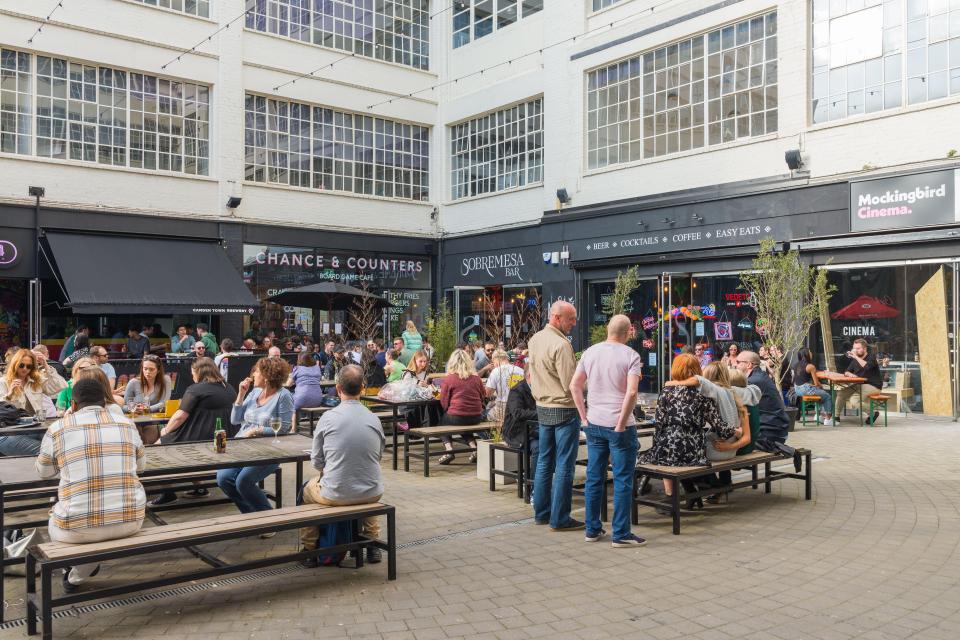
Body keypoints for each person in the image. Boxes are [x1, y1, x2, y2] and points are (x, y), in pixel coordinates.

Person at [37, 378, 146, 592]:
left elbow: (44, 472)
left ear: (73, 405)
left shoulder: (58, 428)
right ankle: (79, 571)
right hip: (132, 520)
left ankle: (77, 572)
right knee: (94, 519)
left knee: (57, 520)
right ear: (105, 403)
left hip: (75, 528)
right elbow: (141, 466)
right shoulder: (127, 424)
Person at [569, 315, 646, 547]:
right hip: (619, 424)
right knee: (622, 479)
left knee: (594, 477)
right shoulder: (631, 356)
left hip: (594, 423)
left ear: (608, 330)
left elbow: (574, 385)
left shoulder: (590, 352)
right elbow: (632, 393)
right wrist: (621, 424)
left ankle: (592, 529)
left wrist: (584, 417)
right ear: (629, 332)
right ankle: (621, 533)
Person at [298, 364, 384, 566]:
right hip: (372, 491)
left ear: (338, 389)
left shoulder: (328, 418)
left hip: (335, 494)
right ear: (362, 388)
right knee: (365, 485)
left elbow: (317, 460)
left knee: (306, 491)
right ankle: (372, 543)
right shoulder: (374, 418)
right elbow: (377, 456)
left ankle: (309, 549)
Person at [640, 354, 737, 511]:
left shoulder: (665, 392)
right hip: (692, 450)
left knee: (664, 455)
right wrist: (736, 431)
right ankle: (697, 492)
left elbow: (659, 424)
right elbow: (720, 427)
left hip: (667, 448)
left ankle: (680, 495)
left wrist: (657, 447)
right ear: (697, 370)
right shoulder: (702, 394)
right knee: (685, 455)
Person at [151, 357, 237, 506]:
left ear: (200, 372)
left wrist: (165, 430)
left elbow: (180, 416)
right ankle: (199, 488)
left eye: (193, 373)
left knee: (156, 449)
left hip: (200, 438)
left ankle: (168, 493)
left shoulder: (196, 389)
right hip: (223, 439)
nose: (192, 376)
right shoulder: (228, 387)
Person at [527, 300, 582, 531]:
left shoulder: (535, 339)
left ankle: (541, 513)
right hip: (564, 409)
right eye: (571, 319)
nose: (574, 324)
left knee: (543, 462)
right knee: (564, 466)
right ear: (557, 318)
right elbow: (571, 383)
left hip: (542, 406)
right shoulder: (561, 345)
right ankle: (560, 518)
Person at [217, 357, 294, 519]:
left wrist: (256, 431)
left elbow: (285, 427)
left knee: (243, 481)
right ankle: (251, 516)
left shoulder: (283, 396)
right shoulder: (254, 393)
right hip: (243, 447)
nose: (253, 375)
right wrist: (241, 394)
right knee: (223, 478)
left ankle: (267, 519)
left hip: (269, 450)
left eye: (256, 371)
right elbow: (235, 420)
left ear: (267, 376)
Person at [437, 350, 486, 465]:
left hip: (456, 416)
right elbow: (483, 396)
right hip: (476, 416)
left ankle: (449, 450)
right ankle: (474, 449)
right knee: (464, 426)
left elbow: (443, 402)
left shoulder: (449, 379)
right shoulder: (476, 378)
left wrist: (451, 409)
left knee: (442, 424)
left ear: (452, 363)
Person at [735, 351, 790, 443]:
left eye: (738, 362)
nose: (736, 365)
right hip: (775, 428)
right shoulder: (759, 376)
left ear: (748, 365)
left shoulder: (753, 381)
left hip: (770, 433)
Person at [0, 347, 67, 420]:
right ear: (15, 364)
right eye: (21, 365)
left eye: (29, 366)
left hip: (37, 423)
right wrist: (9, 395)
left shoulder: (36, 380)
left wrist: (45, 365)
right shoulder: (4, 382)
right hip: (15, 425)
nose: (25, 368)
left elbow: (59, 386)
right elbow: (2, 408)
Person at [501, 367, 539, 479]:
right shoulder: (517, 390)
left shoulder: (541, 389)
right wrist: (542, 414)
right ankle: (533, 485)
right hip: (517, 432)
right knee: (539, 448)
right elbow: (517, 413)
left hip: (534, 430)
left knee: (555, 442)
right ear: (530, 377)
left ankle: (544, 482)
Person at [836, 338, 883, 425]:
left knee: (854, 400)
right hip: (859, 384)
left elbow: (867, 366)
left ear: (864, 349)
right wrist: (851, 375)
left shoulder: (871, 357)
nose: (855, 350)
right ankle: (836, 417)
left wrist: (855, 357)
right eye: (854, 348)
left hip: (873, 385)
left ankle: (873, 412)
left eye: (858, 348)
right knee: (841, 393)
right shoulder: (855, 360)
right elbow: (847, 371)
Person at [791, 347, 834, 426]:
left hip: (797, 389)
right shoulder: (810, 366)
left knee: (821, 394)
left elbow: (800, 377)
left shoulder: (795, 365)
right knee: (827, 396)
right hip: (805, 389)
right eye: (810, 352)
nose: (812, 353)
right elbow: (816, 383)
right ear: (806, 354)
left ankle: (818, 416)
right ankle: (828, 419)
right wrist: (822, 386)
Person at [400, 350, 438, 428]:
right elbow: (405, 389)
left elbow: (428, 388)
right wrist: (417, 384)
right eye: (420, 361)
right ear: (414, 360)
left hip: (421, 402)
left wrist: (428, 386)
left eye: (425, 361)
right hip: (408, 403)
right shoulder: (407, 373)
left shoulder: (425, 373)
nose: (423, 364)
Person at [484, 349, 524, 423]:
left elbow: (487, 393)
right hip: (521, 409)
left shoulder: (496, 371)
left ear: (495, 360)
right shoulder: (521, 370)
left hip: (503, 411)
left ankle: (495, 434)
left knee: (483, 414)